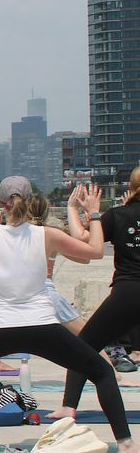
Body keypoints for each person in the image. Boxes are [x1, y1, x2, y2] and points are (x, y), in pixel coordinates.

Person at [0, 181, 137, 453]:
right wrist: (95, 214)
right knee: (101, 372)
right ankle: (126, 443)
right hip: (42, 327)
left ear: (1, 204)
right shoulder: (46, 234)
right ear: (31, 201)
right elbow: (96, 251)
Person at [51, 166, 140, 418]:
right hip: (128, 291)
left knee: (84, 346)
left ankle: (69, 407)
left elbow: (82, 238)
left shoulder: (117, 215)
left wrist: (81, 210)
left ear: (130, 189)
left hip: (127, 292)